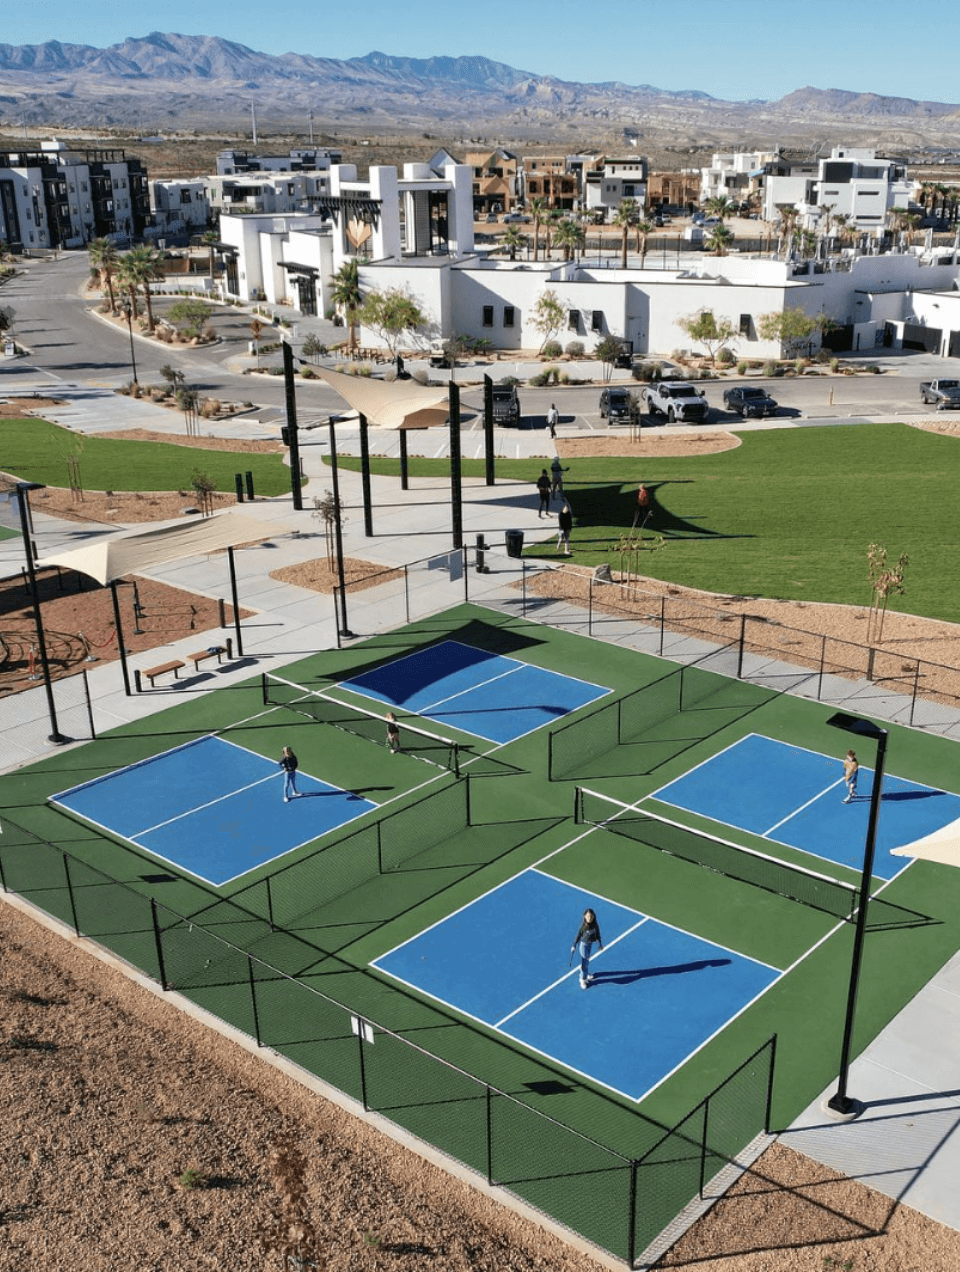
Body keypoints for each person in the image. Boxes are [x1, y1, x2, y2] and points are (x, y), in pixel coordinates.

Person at [571, 907, 603, 989]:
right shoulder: (584, 927)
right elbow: (579, 935)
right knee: (585, 961)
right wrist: (574, 945)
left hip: (590, 944)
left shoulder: (595, 925)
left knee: (586, 961)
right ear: (585, 916)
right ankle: (582, 979)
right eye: (588, 916)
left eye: (591, 916)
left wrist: (600, 944)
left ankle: (584, 972)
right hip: (583, 945)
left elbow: (598, 935)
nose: (589, 918)